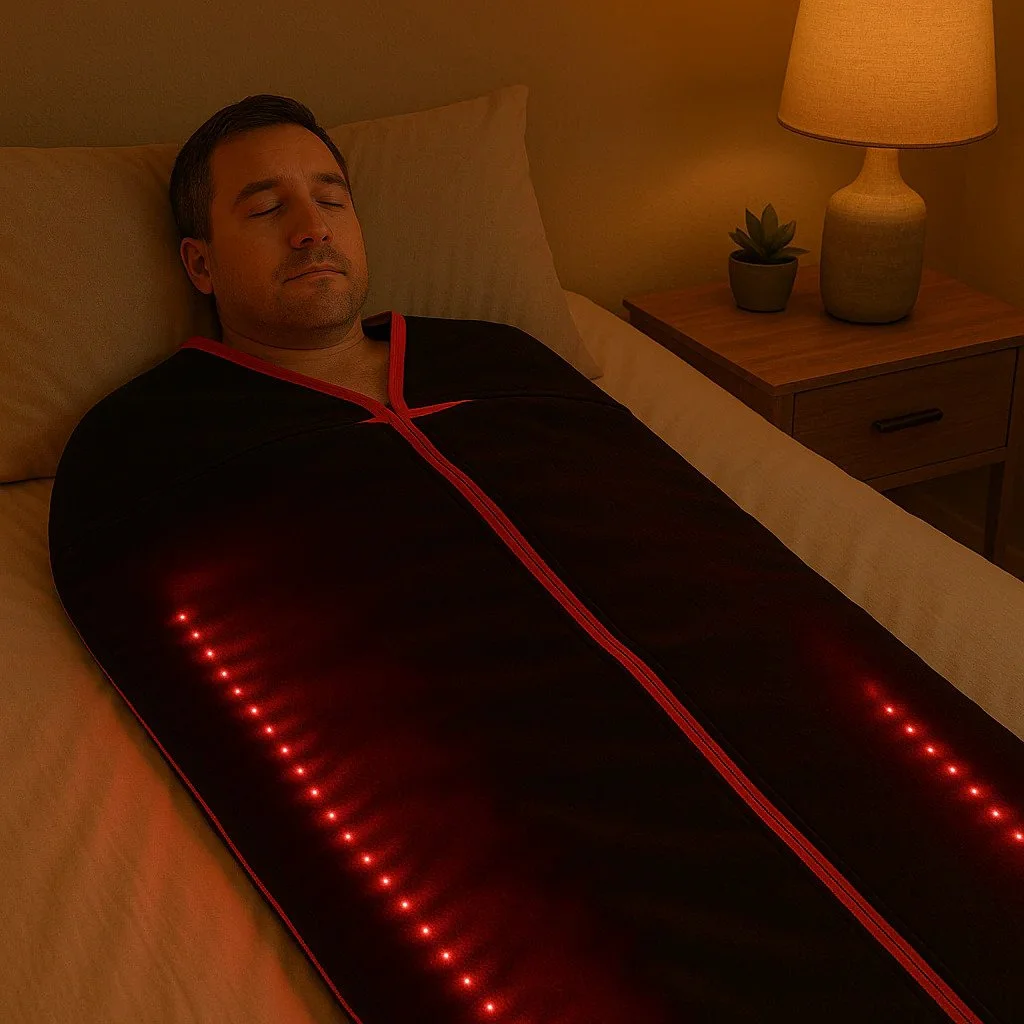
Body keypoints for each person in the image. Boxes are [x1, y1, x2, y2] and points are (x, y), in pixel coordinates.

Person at [170, 94, 390, 405]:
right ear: (201, 265)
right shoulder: (144, 432)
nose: (316, 230)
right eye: (266, 208)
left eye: (330, 200)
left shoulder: (479, 352)